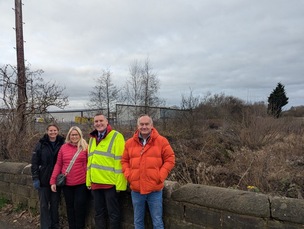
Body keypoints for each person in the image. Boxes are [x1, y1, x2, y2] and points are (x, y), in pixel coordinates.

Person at [121, 114, 175, 229]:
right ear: (137, 126)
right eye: (141, 124)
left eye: (146, 124)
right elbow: (124, 161)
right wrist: (129, 176)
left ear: (152, 125)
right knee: (138, 221)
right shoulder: (129, 143)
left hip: (154, 189)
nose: (144, 126)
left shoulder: (161, 141)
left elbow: (170, 159)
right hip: (136, 189)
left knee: (157, 221)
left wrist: (160, 176)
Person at [86, 113, 127, 229]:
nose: (98, 123)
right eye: (96, 122)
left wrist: (120, 185)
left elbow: (120, 161)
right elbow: (90, 162)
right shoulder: (92, 139)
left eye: (101, 121)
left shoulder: (116, 136)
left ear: (107, 121)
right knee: (99, 213)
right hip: (95, 183)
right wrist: (88, 181)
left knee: (113, 213)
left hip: (110, 184)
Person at [50, 126, 89, 229]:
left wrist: (90, 180)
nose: (74, 137)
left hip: (81, 183)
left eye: (76, 134)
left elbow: (88, 165)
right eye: (72, 135)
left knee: (80, 207)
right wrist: (53, 181)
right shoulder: (63, 148)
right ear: (69, 136)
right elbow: (58, 164)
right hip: (67, 184)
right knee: (70, 207)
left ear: (80, 135)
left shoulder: (85, 147)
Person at [31, 123, 65, 229]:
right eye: (50, 130)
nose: (53, 132)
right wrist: (35, 178)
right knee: (44, 205)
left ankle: (55, 225)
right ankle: (45, 226)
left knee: (55, 204)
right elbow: (34, 162)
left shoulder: (62, 143)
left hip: (56, 180)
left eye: (55, 130)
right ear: (47, 131)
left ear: (58, 131)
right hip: (43, 179)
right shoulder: (41, 144)